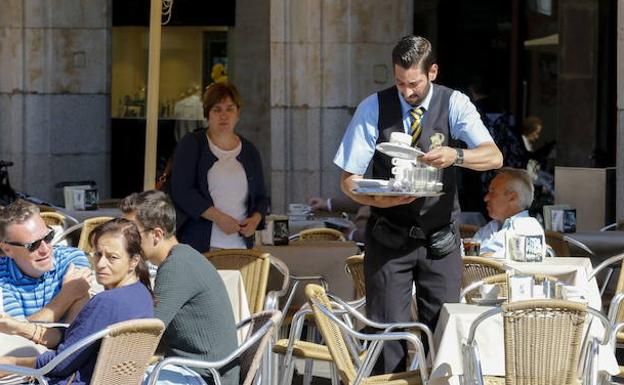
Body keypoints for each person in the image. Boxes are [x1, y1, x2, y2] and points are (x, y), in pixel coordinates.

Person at [333, 35, 503, 373]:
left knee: (443, 336)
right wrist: (377, 197)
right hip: (389, 236)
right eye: (399, 83)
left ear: (433, 72)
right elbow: (348, 180)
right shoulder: (374, 107)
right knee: (386, 338)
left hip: (439, 239)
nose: (406, 92)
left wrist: (456, 155)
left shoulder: (454, 104)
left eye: (414, 83)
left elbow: (493, 156)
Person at [0, 218, 154, 385]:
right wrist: (22, 328)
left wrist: (10, 363)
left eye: (112, 257)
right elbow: (80, 339)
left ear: (134, 261)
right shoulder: (142, 294)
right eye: (97, 254)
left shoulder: (107, 302)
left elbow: (60, 364)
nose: (101, 264)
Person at [120, 190, 239, 385]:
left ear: (157, 234)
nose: (125, 241)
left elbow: (147, 333)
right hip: (197, 368)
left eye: (132, 234)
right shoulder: (183, 257)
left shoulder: (176, 267)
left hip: (205, 375)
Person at [170, 82, 269, 253]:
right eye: (217, 110)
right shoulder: (192, 144)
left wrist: (255, 220)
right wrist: (219, 218)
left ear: (238, 113)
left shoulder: (250, 150)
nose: (224, 115)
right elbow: (182, 191)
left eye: (230, 109)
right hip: (199, 247)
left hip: (241, 247)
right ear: (207, 114)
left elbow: (261, 197)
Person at [0, 200, 91, 322]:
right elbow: (18, 335)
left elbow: (80, 321)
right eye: (33, 245)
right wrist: (67, 295)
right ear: (7, 250)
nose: (45, 249)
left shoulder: (71, 259)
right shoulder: (2, 279)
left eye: (48, 237)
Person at [473, 168, 544, 258]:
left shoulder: (528, 226)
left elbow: (530, 257)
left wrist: (490, 257)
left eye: (492, 192)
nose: (486, 198)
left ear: (512, 198)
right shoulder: (489, 227)